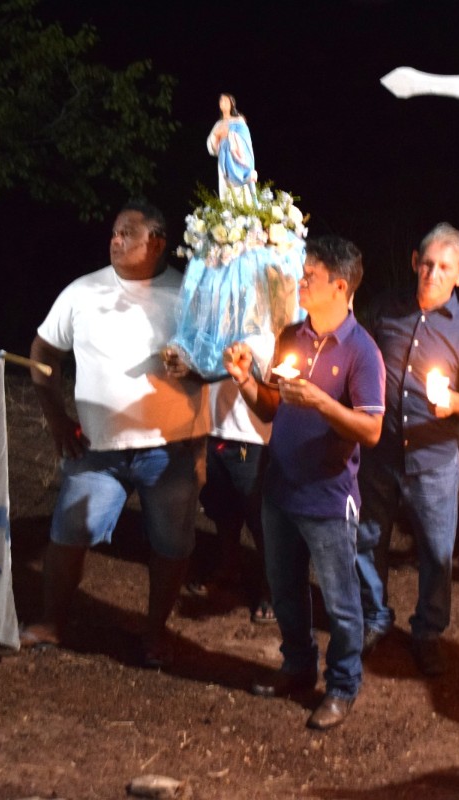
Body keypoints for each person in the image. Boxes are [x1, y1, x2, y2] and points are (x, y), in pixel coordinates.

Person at [22, 200, 208, 667]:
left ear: (158, 243)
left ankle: (155, 632)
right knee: (68, 534)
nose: (115, 239)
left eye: (128, 232)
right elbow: (44, 351)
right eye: (114, 232)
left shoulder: (189, 295)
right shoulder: (82, 293)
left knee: (170, 546)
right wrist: (56, 418)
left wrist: (195, 370)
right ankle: (50, 622)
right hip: (96, 449)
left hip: (169, 451)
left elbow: (215, 365)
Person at [224, 234, 386, 731]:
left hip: (328, 497)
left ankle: (341, 685)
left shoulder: (362, 351)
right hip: (280, 489)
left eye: (309, 276)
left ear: (340, 286)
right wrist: (246, 381)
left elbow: (372, 430)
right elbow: (272, 406)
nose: (300, 282)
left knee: (340, 602)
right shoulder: (293, 336)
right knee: (285, 589)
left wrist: (322, 403)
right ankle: (297, 666)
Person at [354, 223, 459, 677]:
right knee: (369, 538)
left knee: (436, 550)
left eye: (445, 267)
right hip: (379, 454)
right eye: (427, 263)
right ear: (415, 262)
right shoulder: (385, 311)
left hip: (433, 462)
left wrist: (453, 402)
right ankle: (374, 618)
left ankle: (428, 631)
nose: (433, 273)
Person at [187, 348, 276, 625]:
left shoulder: (274, 313)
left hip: (252, 433)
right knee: (220, 507)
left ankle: (271, 588)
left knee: (261, 519)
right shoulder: (213, 308)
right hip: (213, 425)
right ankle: (229, 566)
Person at [206, 93, 257, 202]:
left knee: (242, 194)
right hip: (224, 161)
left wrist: (228, 134)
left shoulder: (238, 120)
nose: (222, 103)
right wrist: (216, 135)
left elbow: (245, 138)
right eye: (221, 101)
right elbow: (211, 145)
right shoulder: (218, 124)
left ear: (232, 104)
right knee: (227, 192)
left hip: (238, 160)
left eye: (225, 101)